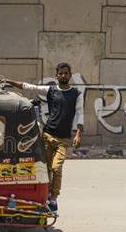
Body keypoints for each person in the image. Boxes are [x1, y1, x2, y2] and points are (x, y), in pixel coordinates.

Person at [5, 63, 84, 212]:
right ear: (57, 75)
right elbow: (29, 87)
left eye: (66, 73)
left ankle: (53, 198)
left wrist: (79, 133)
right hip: (48, 135)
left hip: (64, 139)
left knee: (56, 168)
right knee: (46, 168)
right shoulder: (51, 90)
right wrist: (9, 82)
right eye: (60, 73)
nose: (63, 76)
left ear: (70, 75)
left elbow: (80, 113)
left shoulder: (76, 94)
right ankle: (45, 196)